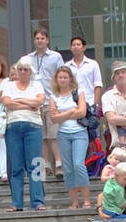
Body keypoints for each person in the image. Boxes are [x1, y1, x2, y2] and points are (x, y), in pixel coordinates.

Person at [1, 60, 46, 212]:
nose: (22, 72)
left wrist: (19, 101)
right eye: (20, 69)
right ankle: (16, 203)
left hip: (33, 126)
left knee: (36, 164)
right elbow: (7, 102)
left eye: (25, 69)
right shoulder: (9, 85)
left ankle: (38, 201)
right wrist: (29, 105)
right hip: (13, 126)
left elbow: (40, 101)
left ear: (30, 71)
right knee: (16, 166)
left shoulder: (37, 85)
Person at [49, 66, 91, 210]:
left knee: (78, 164)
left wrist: (64, 114)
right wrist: (71, 111)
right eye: (60, 77)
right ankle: (74, 201)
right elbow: (53, 119)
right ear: (56, 79)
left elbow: (82, 112)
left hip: (79, 132)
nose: (63, 80)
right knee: (68, 168)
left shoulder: (78, 93)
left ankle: (86, 200)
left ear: (70, 79)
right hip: (63, 134)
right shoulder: (53, 96)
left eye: (65, 77)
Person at [28, 30, 65, 176]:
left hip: (52, 100)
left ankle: (59, 164)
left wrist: (60, 97)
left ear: (47, 40)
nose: (39, 41)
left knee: (53, 134)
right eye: (37, 38)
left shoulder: (56, 57)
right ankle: (46, 165)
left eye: (42, 38)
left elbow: (62, 76)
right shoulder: (28, 58)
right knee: (42, 136)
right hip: (35, 102)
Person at [66, 36, 104, 144]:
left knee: (93, 137)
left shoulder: (93, 64)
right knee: (76, 137)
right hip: (73, 106)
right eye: (73, 45)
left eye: (78, 44)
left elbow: (97, 85)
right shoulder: (66, 66)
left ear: (84, 47)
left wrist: (95, 106)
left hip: (90, 104)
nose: (76, 47)